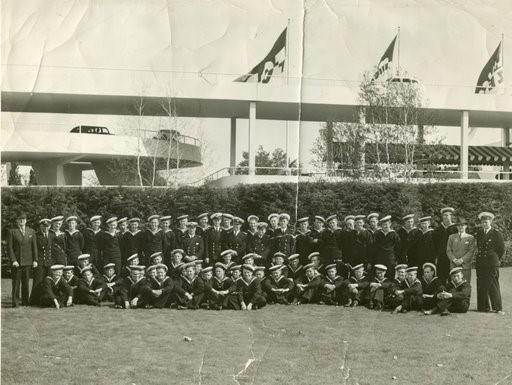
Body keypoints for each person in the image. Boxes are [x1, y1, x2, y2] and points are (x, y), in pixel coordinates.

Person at [475, 212, 505, 315]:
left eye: (486, 222)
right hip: (481, 263)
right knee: (481, 284)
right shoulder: (479, 233)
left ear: (491, 222)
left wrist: (495, 260)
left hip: (491, 263)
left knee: (493, 285)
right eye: (482, 222)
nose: (484, 224)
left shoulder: (496, 233)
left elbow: (501, 249)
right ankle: (483, 307)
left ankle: (498, 308)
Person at [7, 212, 38, 307]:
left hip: (28, 262)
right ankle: (15, 303)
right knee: (16, 283)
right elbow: (9, 248)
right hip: (17, 262)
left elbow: (34, 247)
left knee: (26, 283)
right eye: (20, 219)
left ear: (26, 220)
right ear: (17, 220)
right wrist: (13, 260)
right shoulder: (12, 231)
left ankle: (25, 302)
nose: (22, 221)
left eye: (23, 219)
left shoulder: (31, 231)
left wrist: (35, 260)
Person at [446, 218, 476, 283]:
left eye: (462, 225)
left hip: (465, 266)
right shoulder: (451, 237)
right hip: (454, 265)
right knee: (454, 285)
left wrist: (462, 260)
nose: (460, 227)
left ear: (465, 226)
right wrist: (454, 260)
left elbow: (471, 251)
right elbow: (448, 250)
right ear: (456, 227)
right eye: (458, 225)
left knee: (466, 285)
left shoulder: (470, 237)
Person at [432, 207, 457, 284]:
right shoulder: (438, 230)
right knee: (441, 277)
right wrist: (436, 256)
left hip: (452, 257)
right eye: (444, 215)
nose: (445, 217)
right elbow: (435, 244)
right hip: (441, 257)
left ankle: (451, 294)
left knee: (452, 277)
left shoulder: (455, 228)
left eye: (447, 215)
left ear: (451, 216)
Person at [32, 218, 53, 291]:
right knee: (38, 281)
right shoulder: (36, 235)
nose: (45, 228)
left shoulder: (51, 235)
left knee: (48, 281)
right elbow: (33, 249)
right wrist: (35, 260)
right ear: (40, 226)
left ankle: (45, 299)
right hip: (39, 261)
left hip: (49, 261)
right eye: (44, 226)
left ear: (50, 226)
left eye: (47, 226)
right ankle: (34, 299)